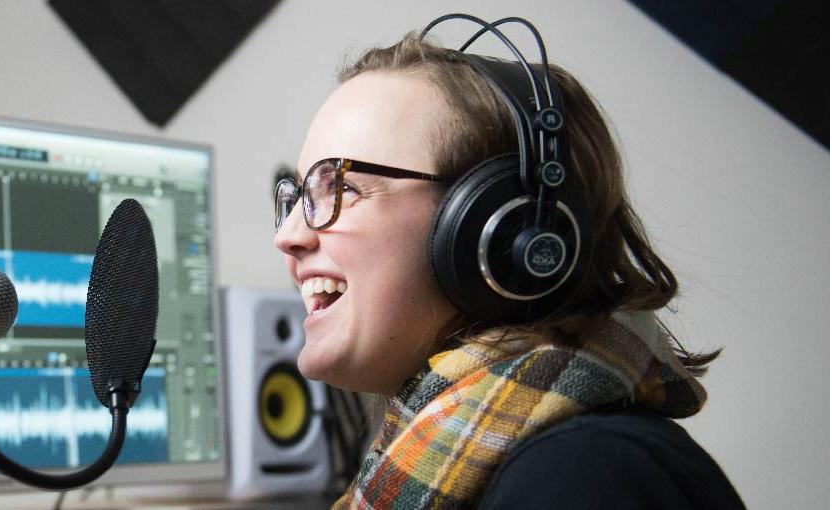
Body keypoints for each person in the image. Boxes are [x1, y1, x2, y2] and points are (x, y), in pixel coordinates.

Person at [271, 23, 745, 510]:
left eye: (341, 189)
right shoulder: (489, 463)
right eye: (297, 197)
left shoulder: (580, 476)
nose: (287, 236)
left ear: (491, 227)